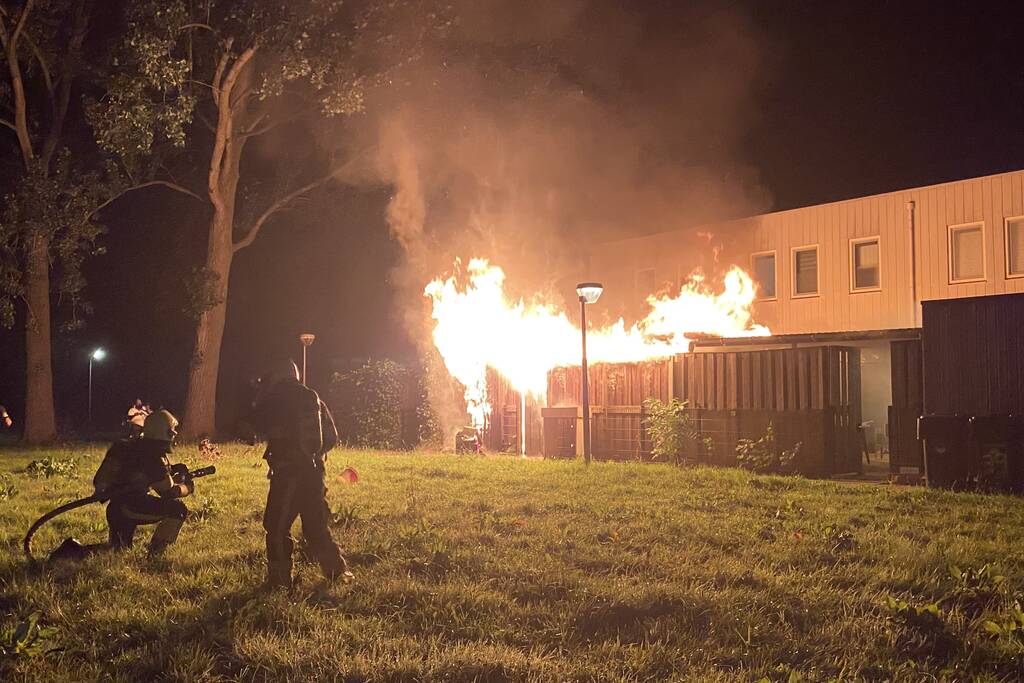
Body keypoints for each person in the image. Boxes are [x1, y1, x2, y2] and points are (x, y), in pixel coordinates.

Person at [251, 359, 349, 589]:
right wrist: (314, 456)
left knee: (276, 525)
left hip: (288, 472)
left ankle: (279, 581)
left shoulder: (278, 399)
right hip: (314, 473)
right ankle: (338, 573)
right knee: (315, 526)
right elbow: (331, 438)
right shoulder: (314, 398)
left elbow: (258, 424)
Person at [51, 409, 194, 560]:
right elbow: (168, 492)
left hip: (117, 509)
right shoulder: (153, 456)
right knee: (177, 509)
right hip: (130, 508)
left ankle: (72, 551)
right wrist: (188, 487)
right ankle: (155, 555)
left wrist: (172, 470)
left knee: (117, 551)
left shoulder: (133, 447)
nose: (174, 436)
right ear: (163, 433)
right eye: (172, 433)